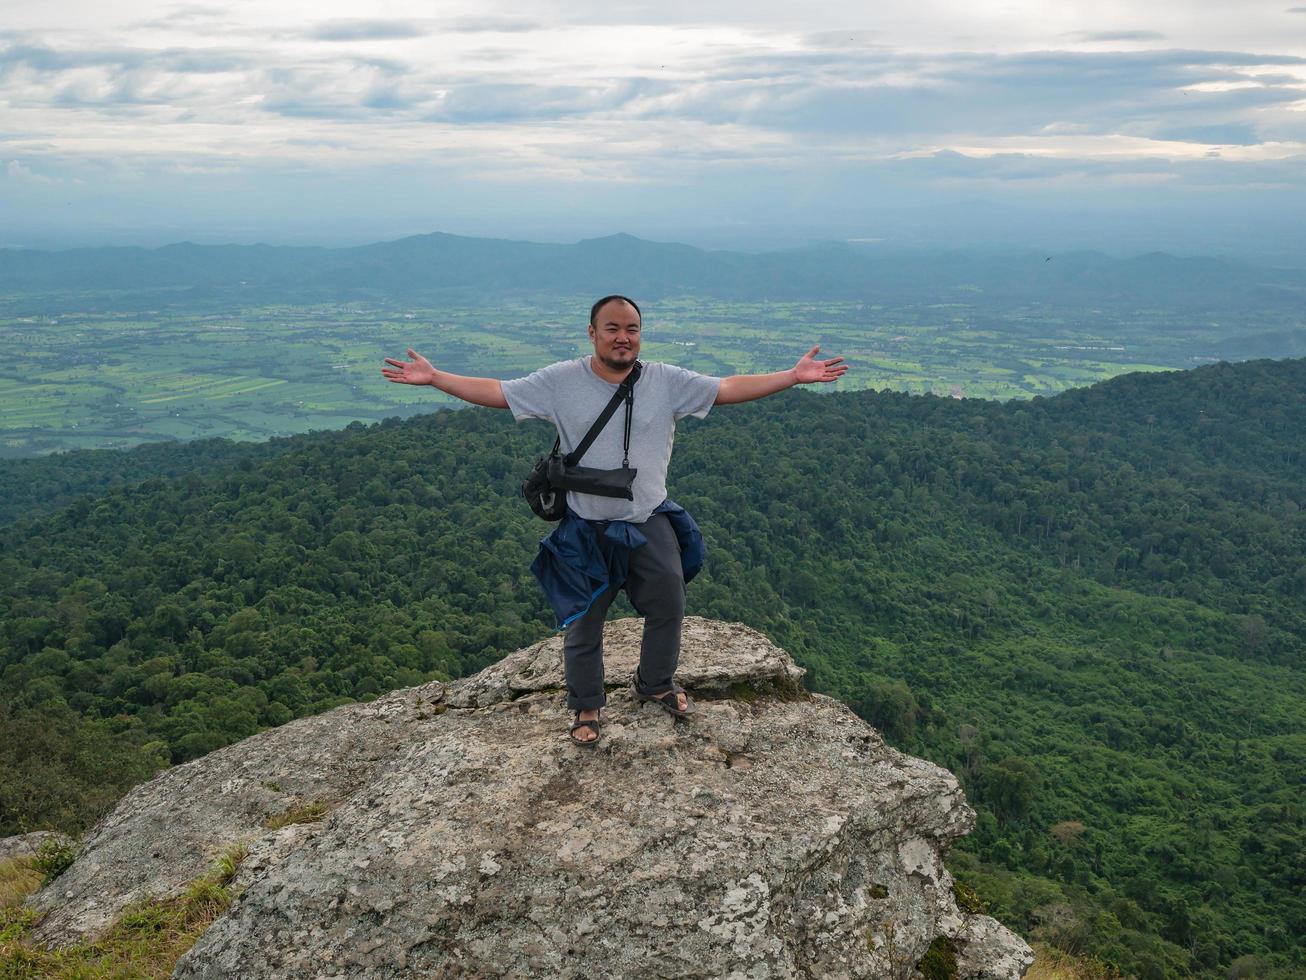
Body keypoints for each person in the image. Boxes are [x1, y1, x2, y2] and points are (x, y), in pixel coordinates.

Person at [382, 295, 846, 745]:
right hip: (587, 526)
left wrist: (791, 376)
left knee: (669, 601)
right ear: (592, 334)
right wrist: (436, 378)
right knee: (585, 621)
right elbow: (499, 392)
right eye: (612, 329)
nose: (623, 338)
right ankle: (586, 704)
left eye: (632, 330)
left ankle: (656, 682)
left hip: (646, 518)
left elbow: (726, 388)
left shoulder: (664, 380)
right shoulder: (561, 381)